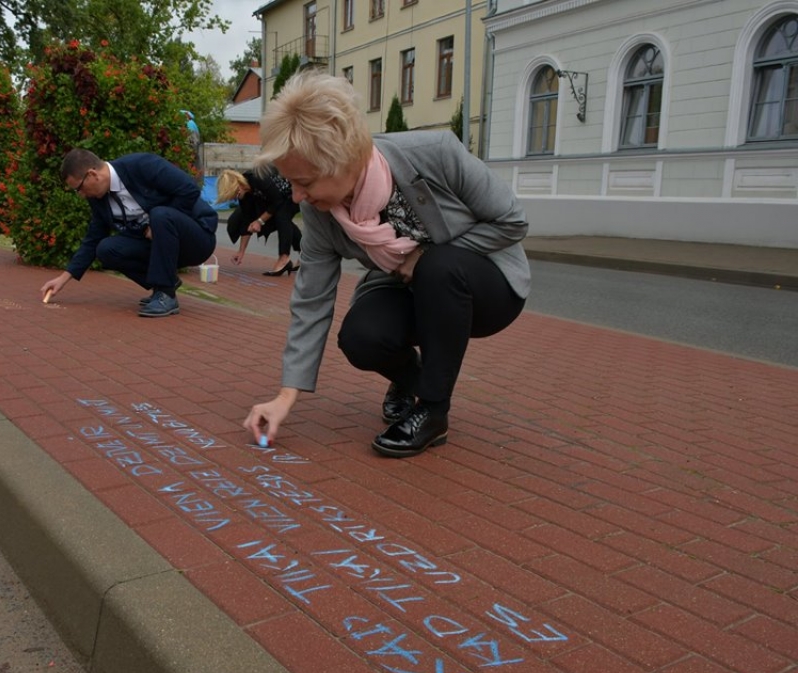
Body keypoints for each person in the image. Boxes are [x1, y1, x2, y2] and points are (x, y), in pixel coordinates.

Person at [244, 71, 530, 458]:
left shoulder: (435, 153)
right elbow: (311, 300)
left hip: (486, 285)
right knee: (361, 336)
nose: (297, 196)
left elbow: (512, 220)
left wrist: (423, 255)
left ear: (343, 161)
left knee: (439, 265)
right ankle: (411, 380)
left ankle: (432, 412)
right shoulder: (320, 214)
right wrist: (285, 396)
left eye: (305, 182)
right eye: (290, 182)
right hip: (405, 287)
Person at [40, 148, 218, 318]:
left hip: (197, 238)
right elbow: (92, 239)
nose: (81, 195)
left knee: (160, 215)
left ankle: (166, 294)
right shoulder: (99, 200)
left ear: (92, 174)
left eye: (78, 188)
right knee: (105, 249)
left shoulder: (141, 165)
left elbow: (189, 188)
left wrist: (156, 225)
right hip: (161, 248)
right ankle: (165, 283)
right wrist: (63, 278)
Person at [215, 168, 301, 276]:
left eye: (234, 195)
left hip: (295, 191)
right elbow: (247, 219)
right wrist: (241, 252)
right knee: (278, 220)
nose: (235, 199)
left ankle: (284, 259)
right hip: (279, 198)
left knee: (282, 216)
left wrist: (259, 221)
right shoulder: (245, 195)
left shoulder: (257, 178)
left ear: (238, 186)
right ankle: (306, 253)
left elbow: (277, 201)